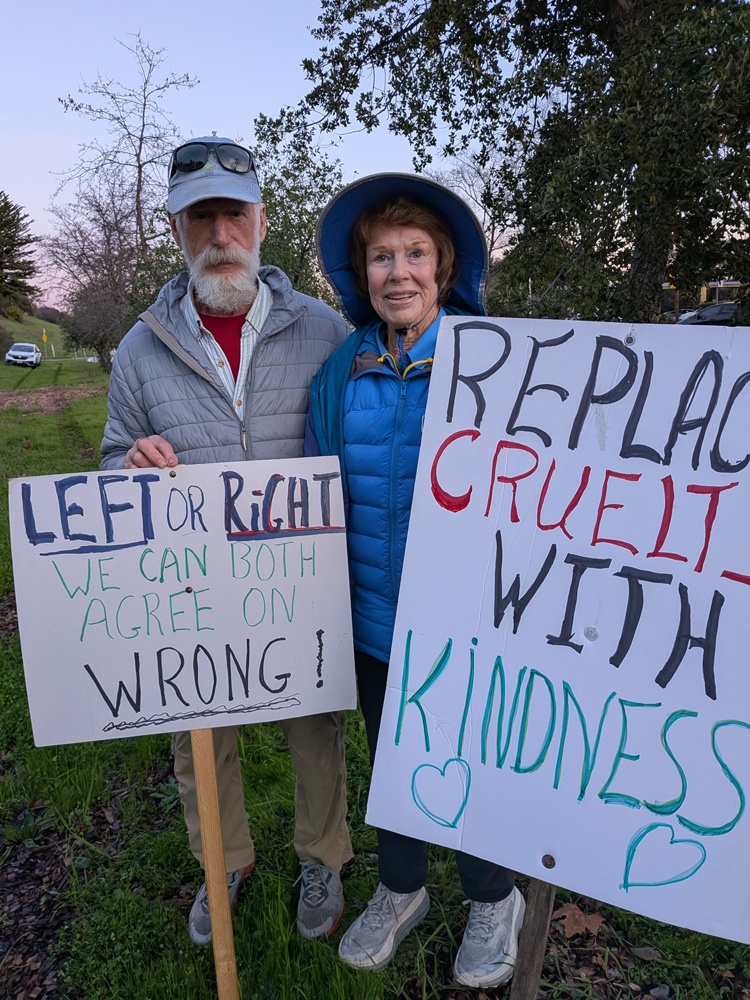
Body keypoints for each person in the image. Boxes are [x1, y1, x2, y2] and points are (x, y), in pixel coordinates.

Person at [100, 137, 352, 946]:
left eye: (232, 214)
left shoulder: (325, 330)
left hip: (299, 581)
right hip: (193, 591)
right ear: (176, 229)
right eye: (200, 216)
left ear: (262, 223)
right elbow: (111, 457)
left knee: (316, 727)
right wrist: (130, 463)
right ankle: (226, 861)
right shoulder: (141, 347)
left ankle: (323, 857)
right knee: (198, 738)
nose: (219, 233)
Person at [306, 174, 525, 988]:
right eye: (381, 256)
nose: (398, 271)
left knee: (473, 760)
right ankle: (402, 889)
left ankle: (492, 898)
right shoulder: (341, 373)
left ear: (445, 268)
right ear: (361, 274)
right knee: (393, 763)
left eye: (415, 254)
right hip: (371, 618)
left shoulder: (498, 366)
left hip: (470, 623)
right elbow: (314, 487)